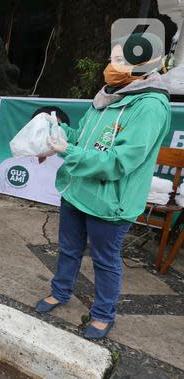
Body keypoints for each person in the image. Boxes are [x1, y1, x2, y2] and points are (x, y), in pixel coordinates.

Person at [35, 34, 171, 340]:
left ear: (144, 66)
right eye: (113, 58)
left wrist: (66, 151)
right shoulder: (107, 96)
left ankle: (103, 313)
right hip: (76, 190)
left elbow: (120, 161)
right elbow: (81, 137)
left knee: (105, 261)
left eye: (122, 60)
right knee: (68, 250)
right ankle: (61, 292)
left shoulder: (150, 105)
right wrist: (56, 130)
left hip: (110, 202)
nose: (112, 66)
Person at [0, 106, 69, 206]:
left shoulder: (68, 169)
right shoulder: (8, 164)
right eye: (40, 126)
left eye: (52, 126)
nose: (44, 131)